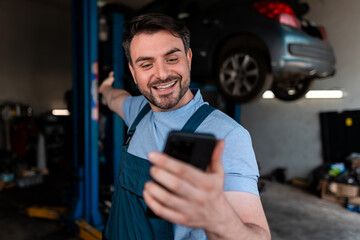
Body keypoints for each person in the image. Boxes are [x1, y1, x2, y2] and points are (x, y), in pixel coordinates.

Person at [99, 13, 271, 240]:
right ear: (133, 72)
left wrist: (217, 218)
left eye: (172, 59)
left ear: (188, 58)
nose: (161, 74)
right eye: (146, 64)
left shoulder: (228, 136)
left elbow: (259, 235)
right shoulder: (139, 111)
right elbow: (114, 98)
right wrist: (104, 89)